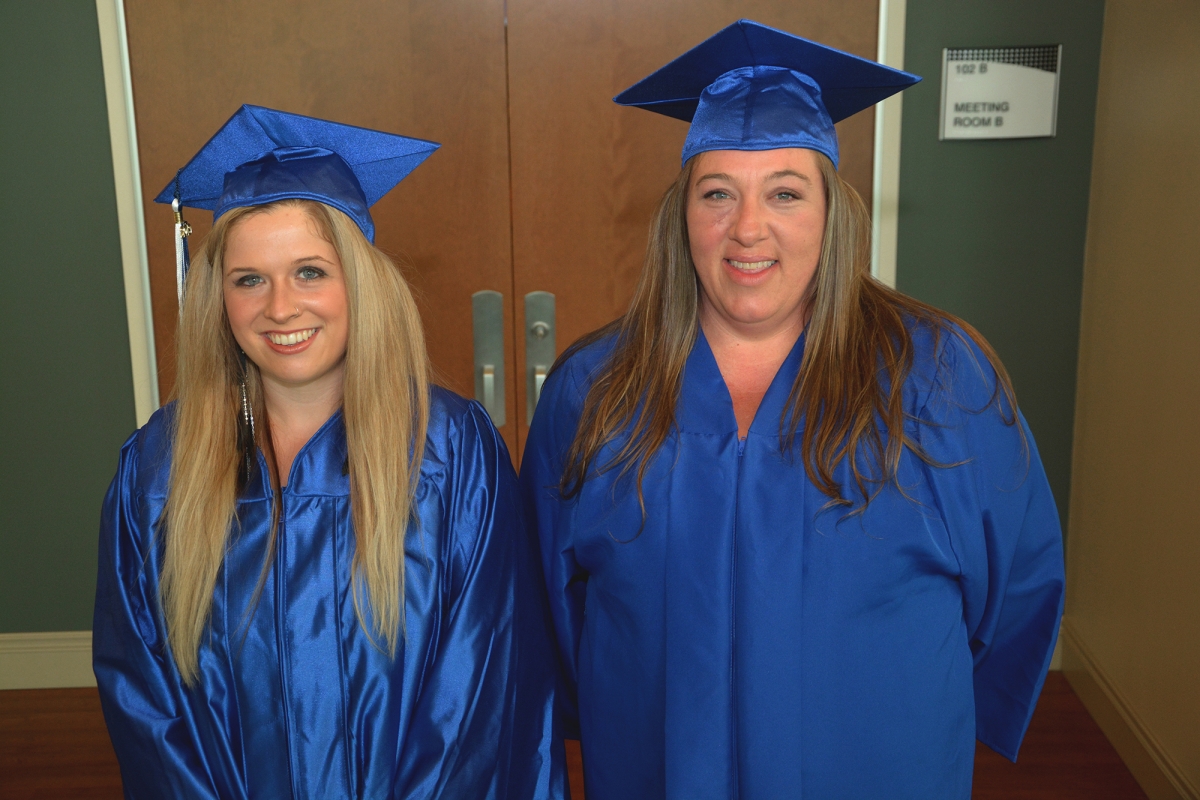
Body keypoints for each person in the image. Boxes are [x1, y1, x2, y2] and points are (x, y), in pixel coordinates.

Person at [521, 20, 1065, 800]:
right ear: (681, 214)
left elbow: (1014, 592)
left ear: (832, 212)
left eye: (784, 192)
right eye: (718, 193)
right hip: (658, 771)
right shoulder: (594, 388)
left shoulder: (937, 376)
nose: (748, 228)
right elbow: (553, 612)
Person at [93, 105, 564, 799]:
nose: (280, 307)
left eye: (310, 272)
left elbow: (483, 693)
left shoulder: (453, 456)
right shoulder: (157, 471)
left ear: (360, 285)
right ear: (217, 298)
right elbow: (145, 701)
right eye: (249, 279)